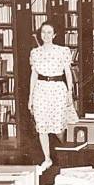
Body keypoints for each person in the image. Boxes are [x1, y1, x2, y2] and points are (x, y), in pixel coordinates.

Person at [28, 21, 79, 171]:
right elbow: (34, 75)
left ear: (55, 35)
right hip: (41, 90)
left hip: (57, 89)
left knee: (58, 127)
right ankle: (47, 158)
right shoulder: (35, 52)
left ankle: (66, 152)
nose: (46, 35)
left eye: (49, 32)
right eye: (43, 32)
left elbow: (68, 73)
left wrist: (70, 92)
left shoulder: (63, 51)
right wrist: (30, 97)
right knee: (42, 127)